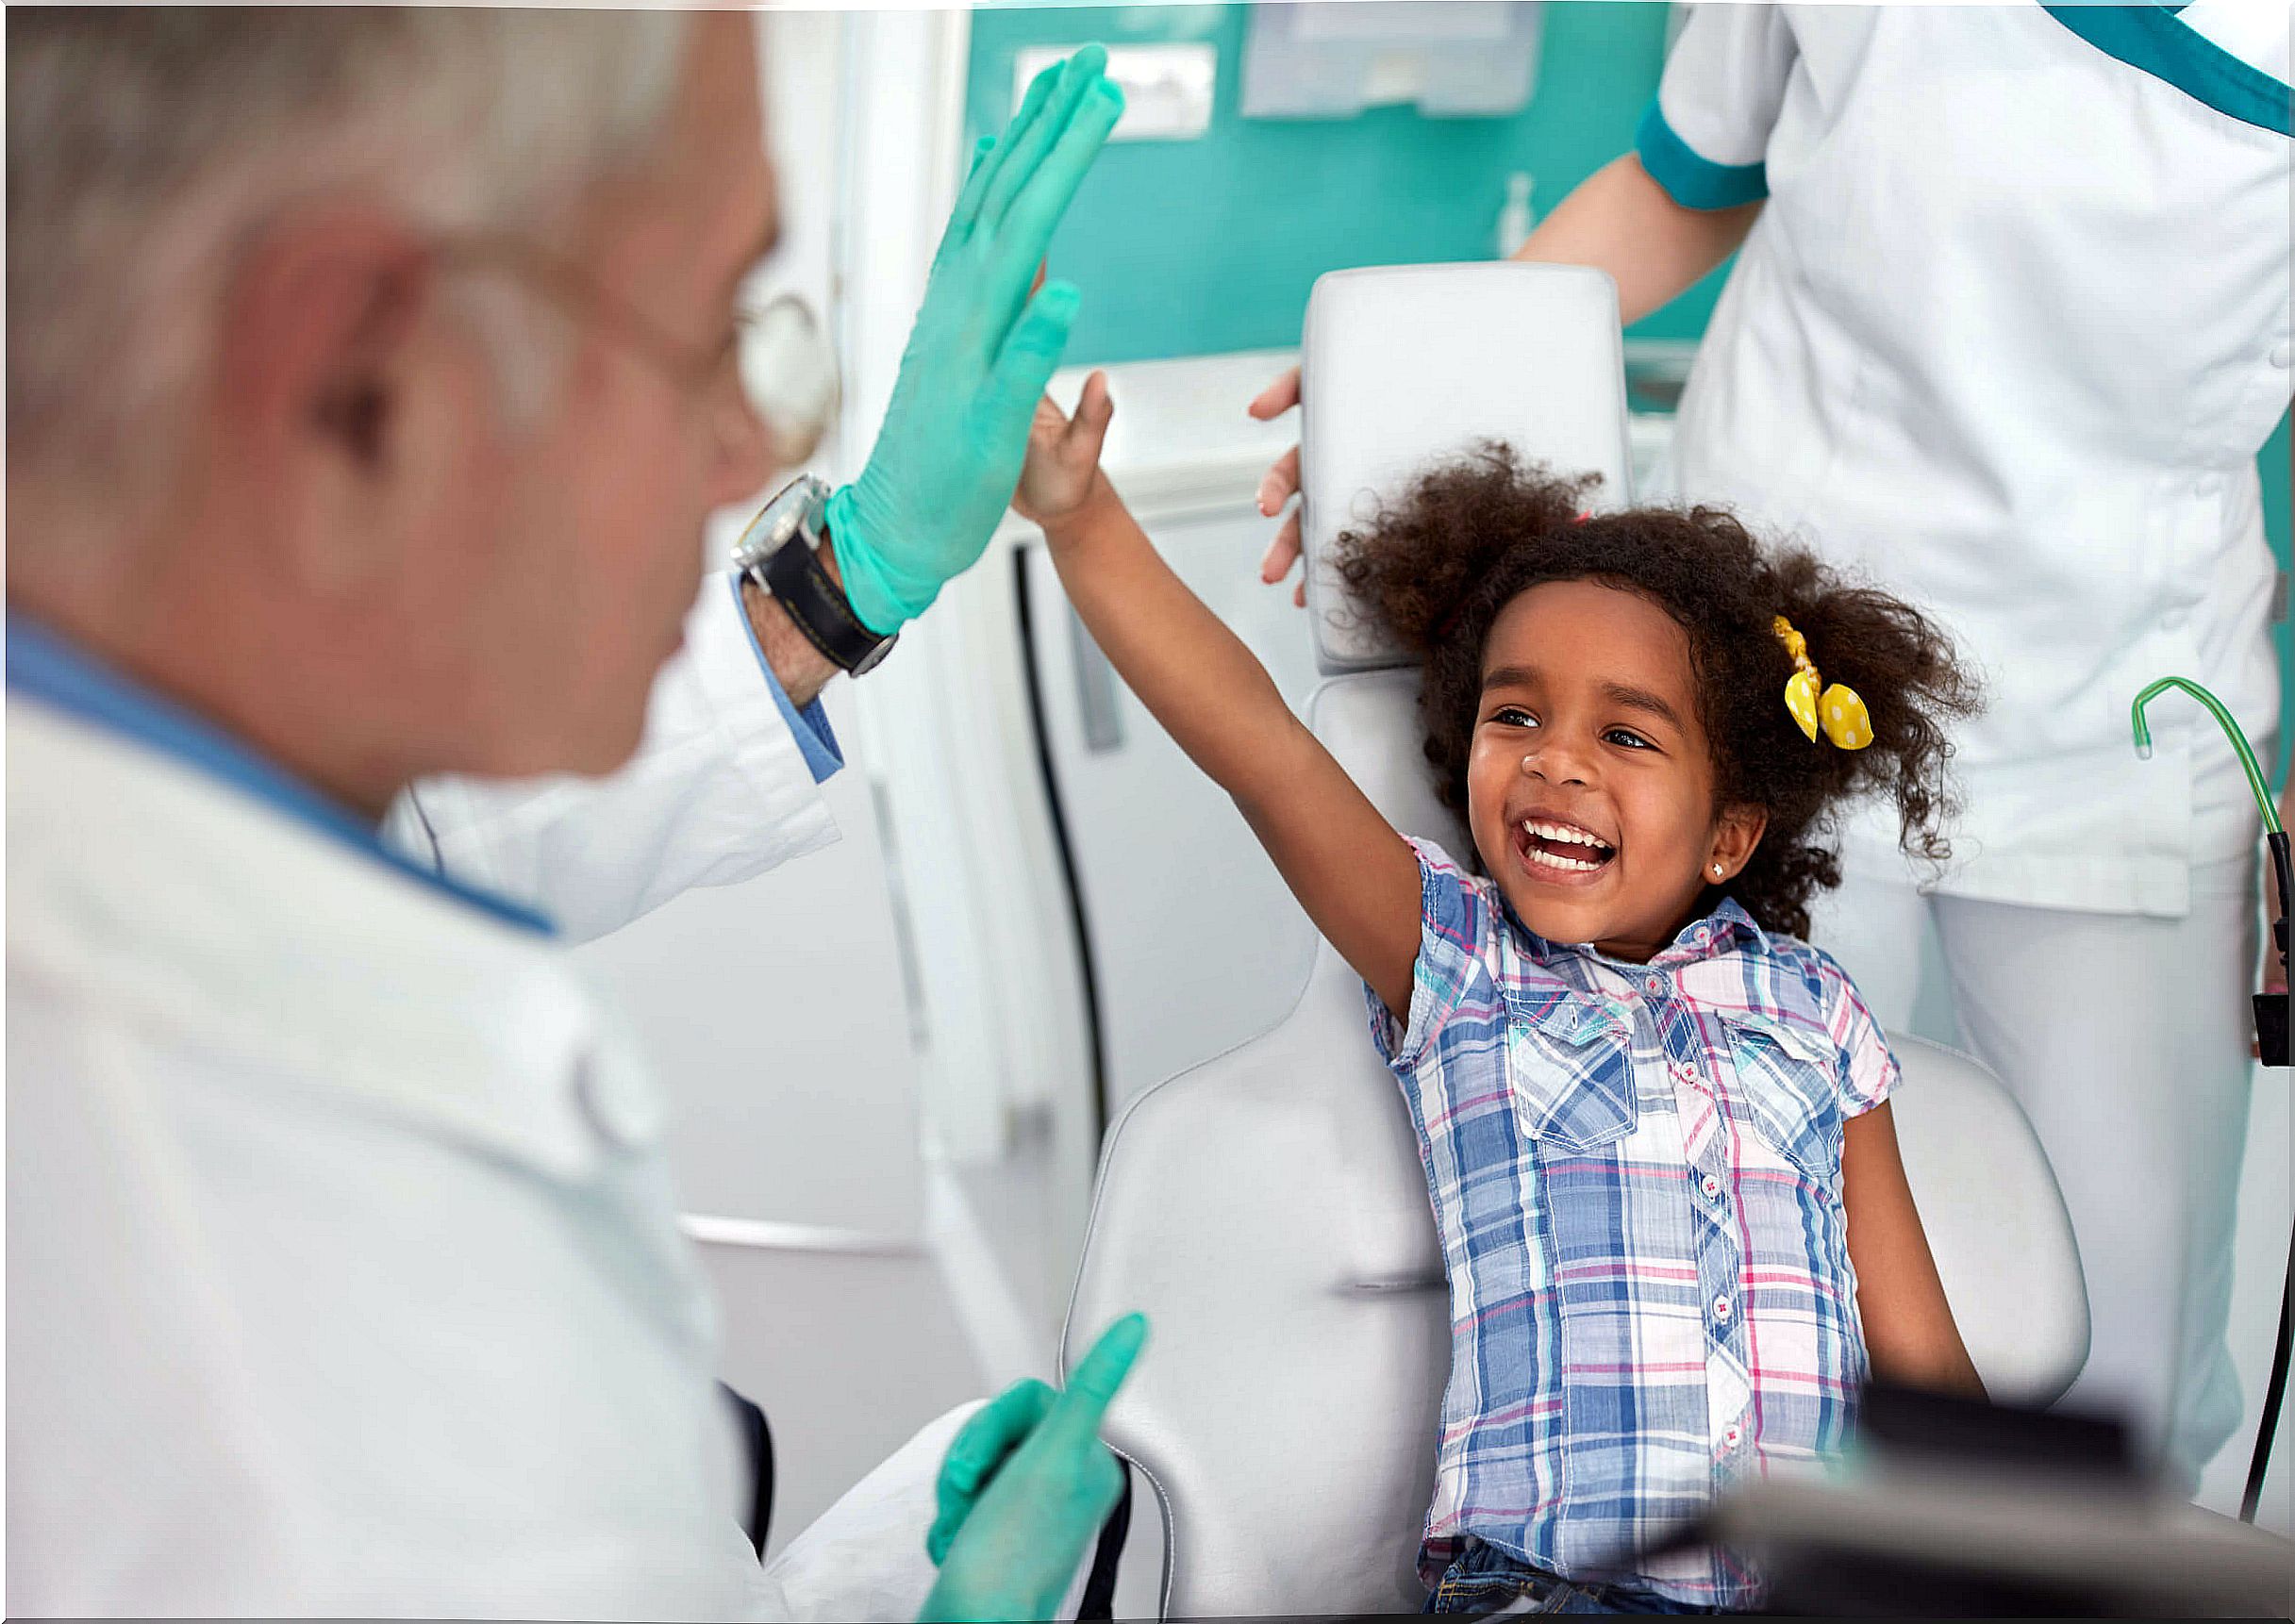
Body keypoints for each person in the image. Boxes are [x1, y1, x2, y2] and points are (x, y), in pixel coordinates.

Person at [8, 11, 1138, 1617]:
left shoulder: (138, 780)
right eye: (707, 326)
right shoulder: (270, 1385)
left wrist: (853, 571)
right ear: (355, 383)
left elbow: (439, 828)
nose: (747, 444)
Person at [1248, 3, 2291, 1490]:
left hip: (2116, 728)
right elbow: (1685, 181)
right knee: (1686, 1294)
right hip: (1749, 693)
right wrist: (1412, 401)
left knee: (2116, 1397)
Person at [1015, 379, 1985, 1610]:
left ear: (1730, 833)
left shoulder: (1815, 1011)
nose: (1553, 756)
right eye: (1511, 712)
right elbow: (1252, 744)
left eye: (1626, 736)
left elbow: (1925, 1372)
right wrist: (1083, 518)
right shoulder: (1459, 956)